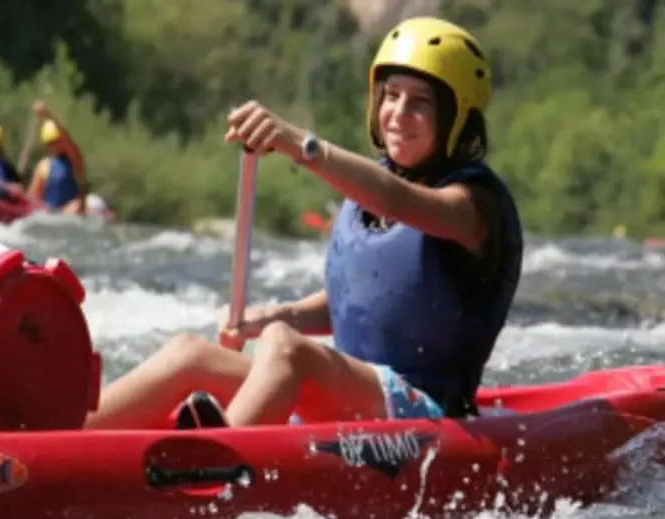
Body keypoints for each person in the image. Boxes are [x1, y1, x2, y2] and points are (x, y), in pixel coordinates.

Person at [85, 17, 523, 431]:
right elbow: (362, 302)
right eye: (391, 95)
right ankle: (58, 440)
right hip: (354, 397)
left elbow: (396, 199)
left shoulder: (473, 206)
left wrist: (299, 144)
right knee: (190, 354)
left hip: (426, 417)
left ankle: (207, 474)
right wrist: (274, 315)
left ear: (457, 117)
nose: (398, 113)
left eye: (420, 102)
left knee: (284, 346)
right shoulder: (374, 189)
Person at [26, 101, 87, 214]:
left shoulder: (74, 160)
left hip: (71, 210)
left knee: (75, 206)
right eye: (51, 143)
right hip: (50, 212)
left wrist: (48, 115)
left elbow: (66, 138)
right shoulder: (43, 166)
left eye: (57, 142)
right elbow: (33, 196)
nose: (55, 146)